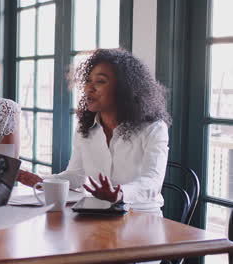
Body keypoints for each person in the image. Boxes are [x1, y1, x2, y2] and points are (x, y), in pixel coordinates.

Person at [19, 48, 171, 213]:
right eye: (88, 81)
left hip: (142, 216)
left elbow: (152, 182)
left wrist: (119, 194)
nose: (88, 88)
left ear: (124, 88)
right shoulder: (85, 127)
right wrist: (42, 181)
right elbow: (76, 176)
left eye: (100, 81)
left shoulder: (153, 128)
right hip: (98, 214)